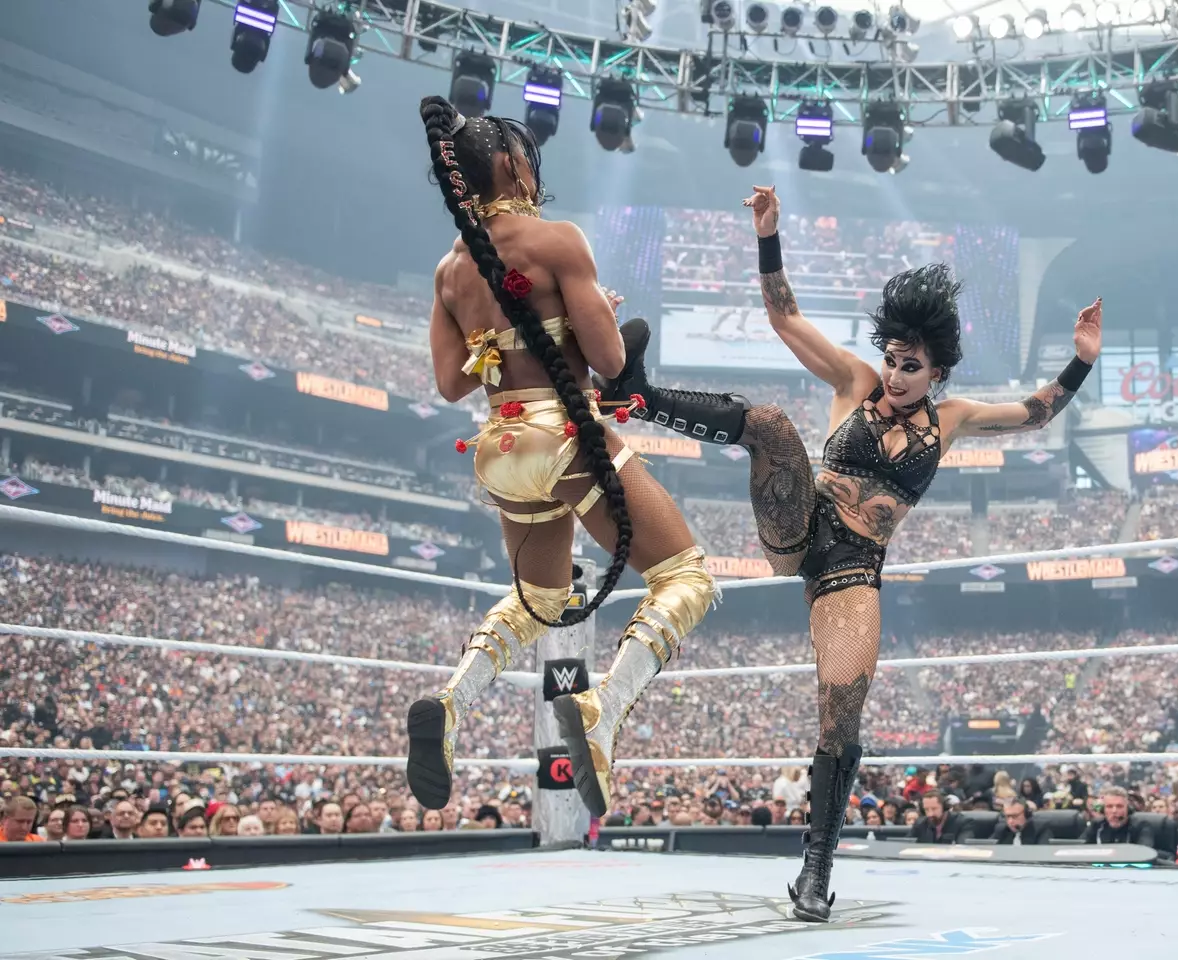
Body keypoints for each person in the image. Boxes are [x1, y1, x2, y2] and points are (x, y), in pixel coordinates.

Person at [597, 185, 1101, 921]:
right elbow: (783, 314)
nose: (895, 376)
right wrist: (769, 236)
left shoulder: (953, 420)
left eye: (912, 366)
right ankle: (634, 397)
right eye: (893, 360)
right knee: (769, 424)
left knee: (842, 713)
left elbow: (1036, 413)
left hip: (852, 568)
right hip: (796, 524)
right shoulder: (854, 382)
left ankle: (815, 873)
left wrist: (1080, 360)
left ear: (939, 371)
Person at [406, 96, 715, 816]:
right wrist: (594, 313)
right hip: (566, 432)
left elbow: (452, 384)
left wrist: (509, 344)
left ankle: (451, 704)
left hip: (498, 445)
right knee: (686, 580)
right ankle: (600, 710)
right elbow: (609, 358)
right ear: (513, 167)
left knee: (540, 598)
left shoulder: (449, 272)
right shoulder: (558, 240)